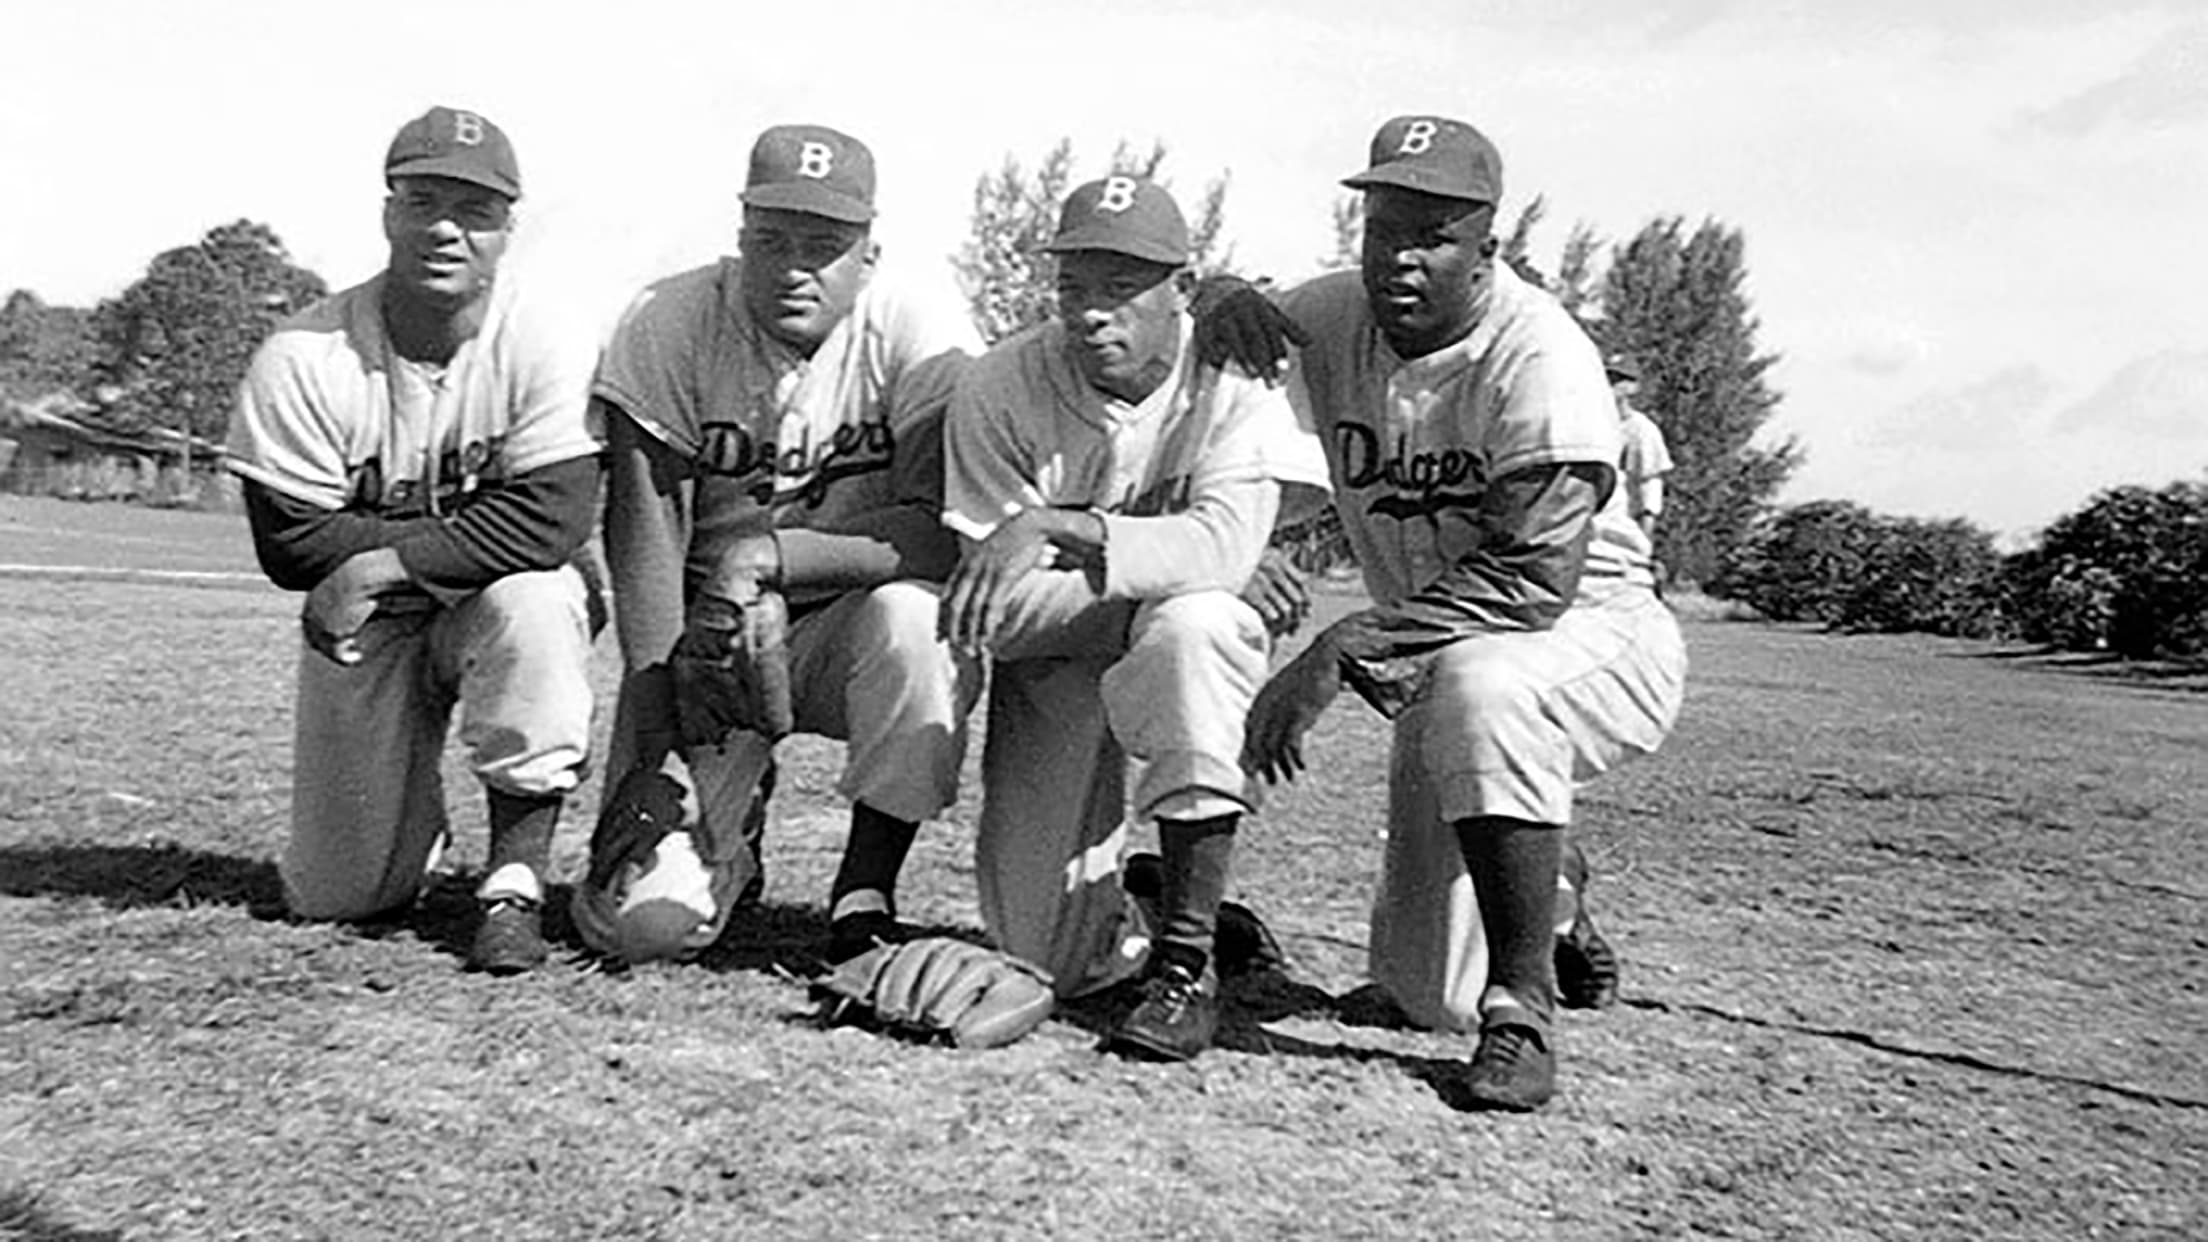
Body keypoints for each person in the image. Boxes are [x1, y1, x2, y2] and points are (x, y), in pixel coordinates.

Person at [1240, 116, 1687, 1110]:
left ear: (1488, 243)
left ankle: (1523, 1008)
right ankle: (1552, 888)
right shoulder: (1328, 312)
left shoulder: (1542, 355)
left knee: (1487, 687)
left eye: (1432, 234)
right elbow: (1231, 343)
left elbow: (1534, 580)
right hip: (1441, 649)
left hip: (1590, 631)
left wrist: (1344, 643)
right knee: (1416, 994)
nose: (1399, 255)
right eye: (1383, 227)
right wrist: (1221, 305)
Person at [940, 176, 1330, 1061]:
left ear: (1182, 291)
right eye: (1075, 287)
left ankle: (1185, 961)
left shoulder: (1237, 368)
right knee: (1042, 956)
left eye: (1121, 288)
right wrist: (1186, 560)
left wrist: (1060, 527)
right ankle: (1154, 899)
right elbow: (998, 608)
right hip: (1060, 651)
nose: (1090, 313)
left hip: (1157, 631)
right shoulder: (1002, 380)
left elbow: (1228, 547)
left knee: (1201, 627)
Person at [573, 124, 982, 966]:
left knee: (919, 624)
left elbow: (937, 533)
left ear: (869, 253)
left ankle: (863, 894)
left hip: (846, 624)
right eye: (773, 240)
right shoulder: (670, 318)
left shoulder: (919, 322)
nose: (796, 266)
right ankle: (730, 830)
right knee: (644, 926)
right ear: (740, 238)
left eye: (825, 245)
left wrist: (767, 559)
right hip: (706, 642)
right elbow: (645, 538)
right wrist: (656, 755)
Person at [225, 106, 604, 974]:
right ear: (388, 210)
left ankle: (514, 883)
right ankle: (403, 820)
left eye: (473, 211)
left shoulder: (545, 334)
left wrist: (382, 559)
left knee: (541, 599)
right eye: (423, 199)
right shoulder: (305, 353)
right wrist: (454, 547)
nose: (444, 228)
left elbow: (554, 520)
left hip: (482, 600)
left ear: (508, 230)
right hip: (375, 621)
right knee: (339, 897)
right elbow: (291, 543)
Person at [1605, 354, 1673, 539]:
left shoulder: (1642, 430)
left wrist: (1644, 540)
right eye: (1608, 378)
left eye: (1618, 379)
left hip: (1623, 532)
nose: (1611, 385)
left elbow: (1649, 489)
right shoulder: (1593, 425)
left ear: (1633, 387)